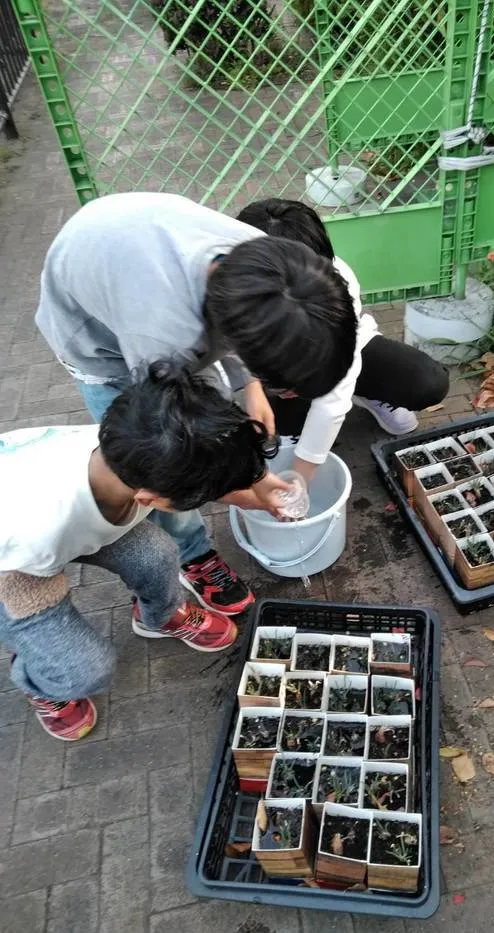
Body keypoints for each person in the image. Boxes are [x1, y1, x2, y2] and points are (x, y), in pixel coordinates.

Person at [35, 191, 357, 614]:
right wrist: (243, 492)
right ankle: (192, 552)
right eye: (289, 388)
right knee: (157, 462)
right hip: (95, 337)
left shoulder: (279, 264)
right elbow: (173, 448)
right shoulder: (163, 338)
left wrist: (252, 391)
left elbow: (239, 339)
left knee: (216, 419)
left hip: (124, 241)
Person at [0, 364, 278, 741]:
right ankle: (39, 678)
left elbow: (207, 480)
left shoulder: (135, 451)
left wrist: (266, 496)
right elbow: (28, 562)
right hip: (14, 568)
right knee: (85, 670)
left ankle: (159, 617)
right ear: (150, 499)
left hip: (62, 517)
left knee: (157, 552)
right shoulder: (38, 531)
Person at [236, 198, 449, 485]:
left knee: (426, 381)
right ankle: (288, 410)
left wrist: (301, 478)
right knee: (277, 427)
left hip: (339, 356)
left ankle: (368, 394)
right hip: (272, 371)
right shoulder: (229, 286)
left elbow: (337, 380)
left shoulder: (339, 280)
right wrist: (254, 384)